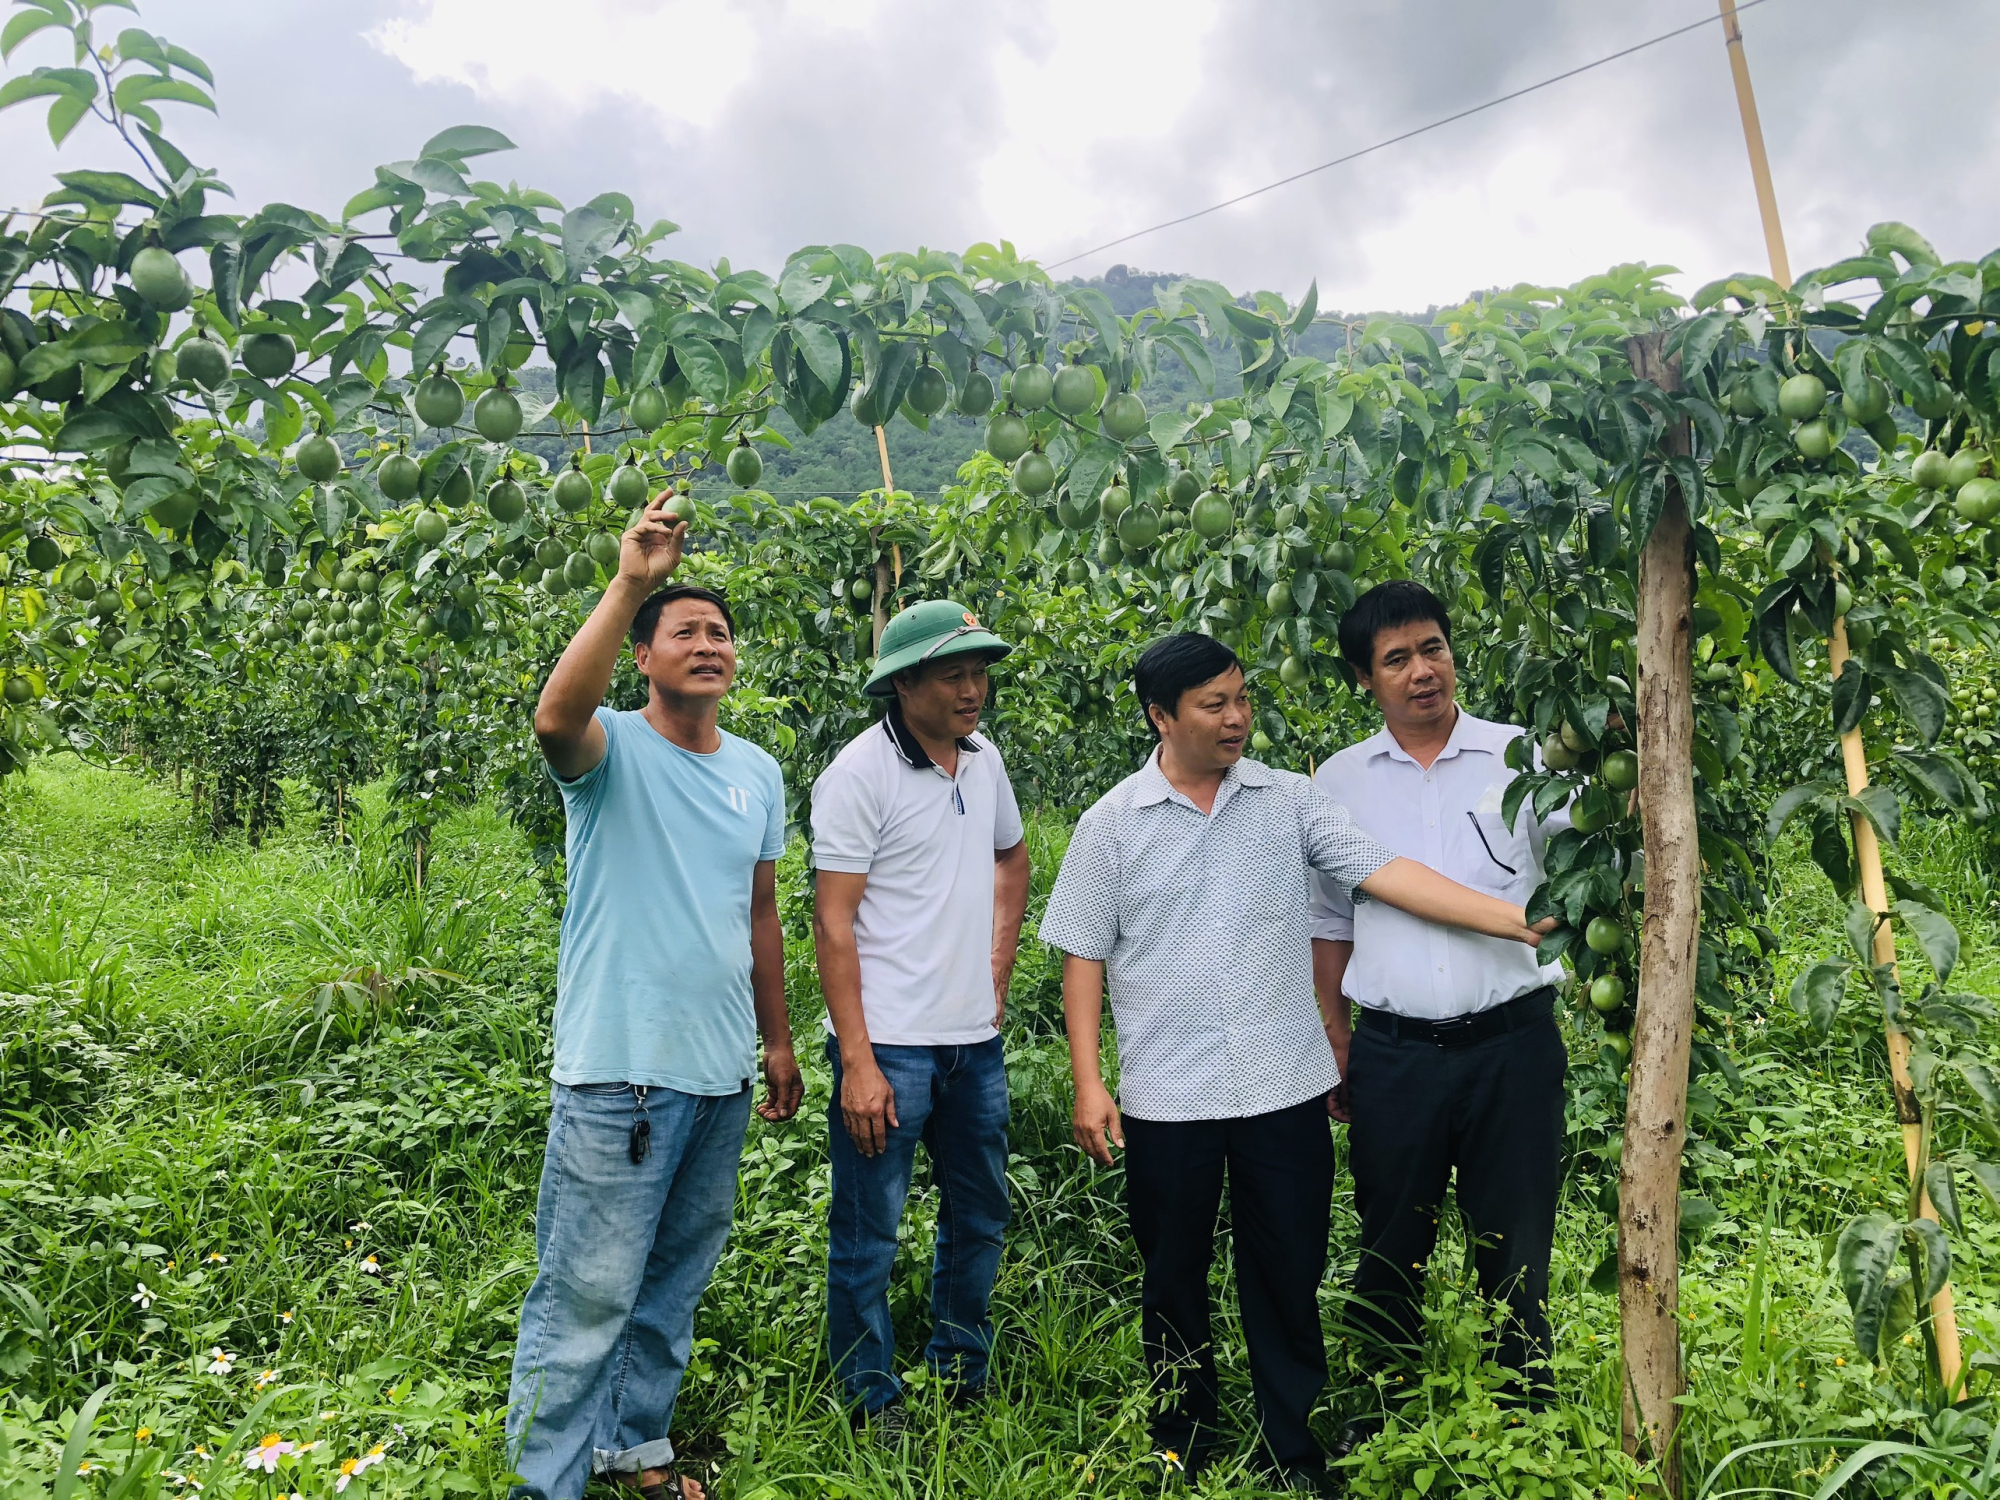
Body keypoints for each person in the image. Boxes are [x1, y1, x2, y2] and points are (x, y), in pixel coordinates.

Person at [1040, 631, 1552, 1496]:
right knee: (1173, 1273)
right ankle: (1181, 1432)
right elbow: (1082, 957)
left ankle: (1293, 1442)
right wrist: (1091, 1082)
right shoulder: (1110, 826)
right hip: (1169, 1093)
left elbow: (1388, 873)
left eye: (1242, 698)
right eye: (1215, 705)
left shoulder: (1286, 802)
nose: (1238, 717)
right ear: (1162, 718)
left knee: (1287, 1268)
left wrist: (1514, 922)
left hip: (1283, 1085)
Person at [508, 492, 804, 1500]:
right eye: (684, 631)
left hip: (716, 1074)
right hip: (619, 1074)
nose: (708, 644)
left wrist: (776, 1041)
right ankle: (543, 1481)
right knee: (584, 1294)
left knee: (669, 1287)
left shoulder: (758, 772)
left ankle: (631, 1451)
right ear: (643, 655)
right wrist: (632, 577)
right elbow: (554, 715)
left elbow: (758, 914)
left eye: (719, 632)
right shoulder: (609, 752)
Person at [1310, 580, 1570, 1452]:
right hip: (1395, 1053)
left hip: (1513, 1042)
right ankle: (1384, 1407)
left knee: (1518, 1237)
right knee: (1390, 1235)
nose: (1423, 671)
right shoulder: (1338, 782)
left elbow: (1578, 876)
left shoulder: (1522, 757)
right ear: (1363, 678)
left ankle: (1524, 1418)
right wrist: (1338, 1043)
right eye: (1397, 659)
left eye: (1434, 648)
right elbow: (1329, 924)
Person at [810, 599, 1031, 1435]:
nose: (973, 689)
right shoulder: (859, 775)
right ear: (903, 684)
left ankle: (958, 1369)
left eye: (978, 672)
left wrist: (998, 965)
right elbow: (833, 923)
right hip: (891, 1046)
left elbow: (1012, 856)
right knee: (870, 1231)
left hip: (974, 1044)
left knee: (980, 1214)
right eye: (953, 674)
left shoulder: (983, 759)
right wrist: (859, 1062)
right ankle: (870, 1395)